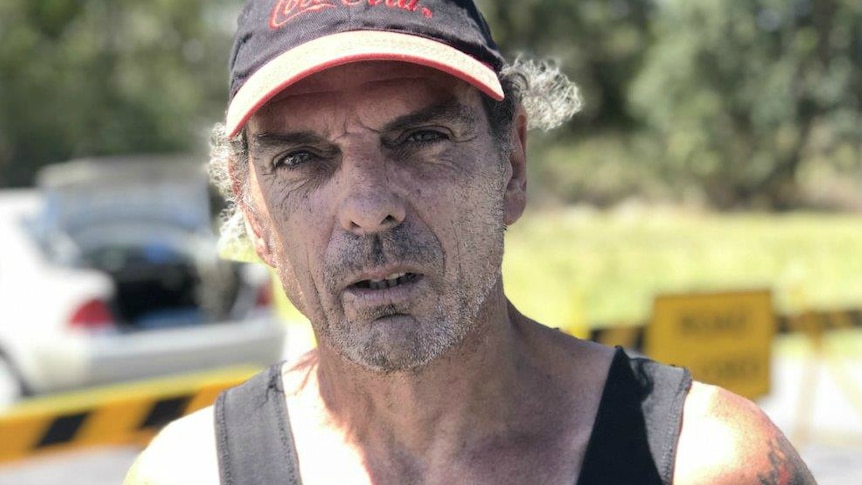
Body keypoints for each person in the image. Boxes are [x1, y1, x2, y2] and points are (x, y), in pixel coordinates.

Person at [124, 0, 816, 483]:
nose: (369, 209)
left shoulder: (705, 466)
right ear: (251, 206)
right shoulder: (194, 474)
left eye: (422, 139)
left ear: (511, 162)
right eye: (300, 159)